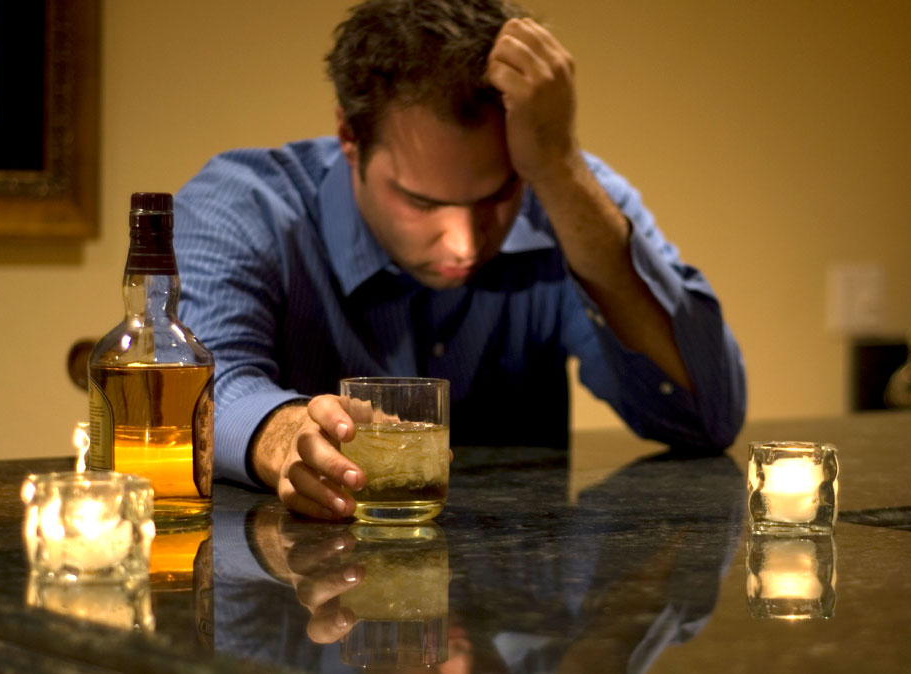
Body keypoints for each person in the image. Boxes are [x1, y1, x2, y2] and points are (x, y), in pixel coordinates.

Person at [173, 0, 747, 520]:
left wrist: (559, 167)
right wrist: (285, 433)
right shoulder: (243, 206)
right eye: (422, 202)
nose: (464, 245)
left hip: (520, 610)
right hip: (304, 609)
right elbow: (198, 393)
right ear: (350, 138)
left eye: (498, 195)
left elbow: (705, 419)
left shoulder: (564, 193)